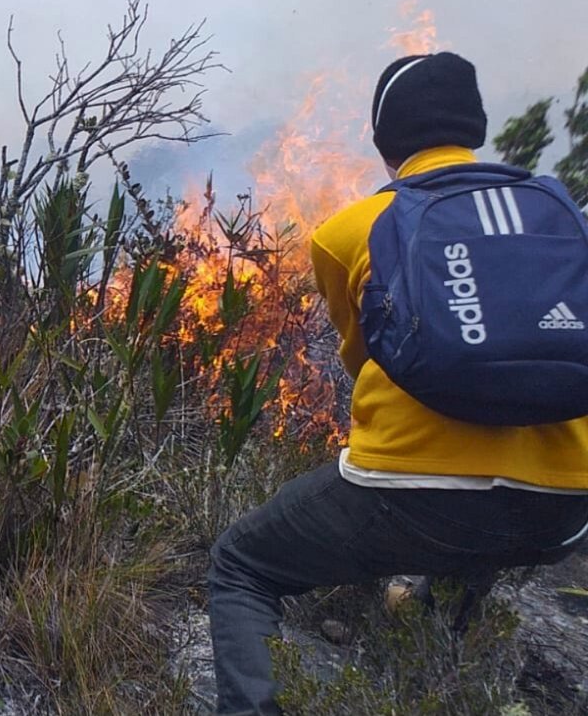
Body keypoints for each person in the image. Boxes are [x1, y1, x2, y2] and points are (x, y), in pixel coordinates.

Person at [207, 52, 588, 715]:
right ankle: (443, 635)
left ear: (384, 141)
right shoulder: (562, 214)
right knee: (483, 529)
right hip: (565, 510)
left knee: (241, 564)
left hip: (412, 497)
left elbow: (367, 360)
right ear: (475, 125)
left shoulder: (347, 231)